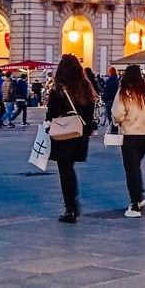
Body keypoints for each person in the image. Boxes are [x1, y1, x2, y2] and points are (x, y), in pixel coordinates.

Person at [46, 54, 97, 223]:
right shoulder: (85, 87)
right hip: (79, 133)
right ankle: (73, 204)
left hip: (63, 133)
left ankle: (70, 207)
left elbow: (51, 113)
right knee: (70, 169)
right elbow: (90, 112)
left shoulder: (60, 89)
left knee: (64, 170)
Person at [112, 64, 145, 218]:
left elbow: (117, 114)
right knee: (136, 166)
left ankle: (135, 204)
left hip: (130, 135)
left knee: (131, 170)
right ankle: (139, 195)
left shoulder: (124, 92)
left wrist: (119, 121)